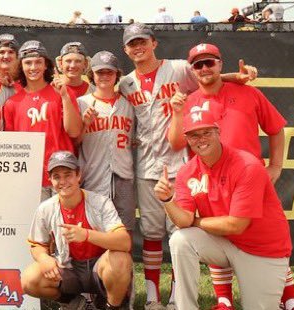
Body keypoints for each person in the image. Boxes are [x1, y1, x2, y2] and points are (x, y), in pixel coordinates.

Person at [116, 23, 257, 310]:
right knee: (153, 234)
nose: (138, 47)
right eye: (132, 44)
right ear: (126, 50)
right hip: (146, 166)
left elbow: (209, 78)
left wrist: (237, 78)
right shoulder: (125, 84)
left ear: (154, 43)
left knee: (179, 234)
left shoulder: (179, 68)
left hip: (183, 165)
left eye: (142, 41)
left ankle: (176, 296)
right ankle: (153, 296)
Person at [173, 43, 294, 310]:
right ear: (191, 70)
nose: (204, 68)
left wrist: (276, 166)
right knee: (215, 231)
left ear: (220, 63)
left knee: (262, 235)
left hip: (249, 178)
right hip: (212, 179)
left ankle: (289, 297)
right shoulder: (189, 101)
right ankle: (224, 298)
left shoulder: (247, 91)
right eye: (198, 64)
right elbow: (175, 141)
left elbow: (276, 128)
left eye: (210, 62)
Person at [153, 111, 292, 310]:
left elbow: (236, 225)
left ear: (218, 132)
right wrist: (167, 200)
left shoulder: (247, 166)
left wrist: (196, 221)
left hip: (263, 250)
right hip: (224, 244)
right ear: (187, 139)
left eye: (206, 132)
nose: (201, 139)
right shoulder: (187, 171)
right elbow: (182, 222)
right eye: (194, 135)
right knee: (180, 239)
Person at [22, 151, 132, 310]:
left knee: (121, 259)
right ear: (50, 180)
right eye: (57, 176)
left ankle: (111, 306)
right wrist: (44, 258)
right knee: (29, 279)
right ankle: (75, 304)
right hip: (69, 269)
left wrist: (87, 235)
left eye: (68, 175)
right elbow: (36, 245)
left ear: (78, 175)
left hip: (99, 268)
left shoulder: (100, 203)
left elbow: (125, 242)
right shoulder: (45, 209)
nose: (63, 181)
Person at [2, 40, 82, 201]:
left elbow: (74, 131)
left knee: (63, 225)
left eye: (38, 62)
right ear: (21, 66)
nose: (33, 68)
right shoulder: (12, 103)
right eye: (28, 63)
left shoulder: (62, 93)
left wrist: (65, 97)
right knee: (36, 225)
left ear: (46, 65)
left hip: (62, 176)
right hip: (30, 178)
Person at [75, 51, 136, 231]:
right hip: (93, 174)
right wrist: (85, 124)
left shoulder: (128, 104)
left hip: (123, 174)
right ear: (92, 74)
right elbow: (74, 142)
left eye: (109, 72)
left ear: (117, 74)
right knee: (95, 226)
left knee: (125, 228)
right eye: (100, 72)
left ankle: (124, 260)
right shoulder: (82, 103)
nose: (104, 76)